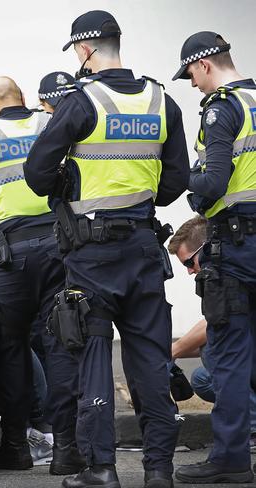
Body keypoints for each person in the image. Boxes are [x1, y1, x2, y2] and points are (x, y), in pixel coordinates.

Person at [24, 10, 189, 488]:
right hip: (142, 247)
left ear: (84, 49)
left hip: (92, 254)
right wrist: (140, 199)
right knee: (151, 358)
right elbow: (175, 179)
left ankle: (102, 469)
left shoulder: (81, 102)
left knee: (92, 354)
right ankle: (159, 469)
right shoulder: (162, 101)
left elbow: (37, 174)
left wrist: (69, 185)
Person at [0, 76, 84, 476]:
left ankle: (18, 448)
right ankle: (66, 450)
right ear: (24, 98)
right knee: (59, 344)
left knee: (12, 348)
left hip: (11, 254)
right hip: (58, 245)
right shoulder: (47, 123)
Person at [170, 33, 256, 474]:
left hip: (239, 245)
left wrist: (186, 179)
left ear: (204, 65)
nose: (192, 85)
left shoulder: (222, 108)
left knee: (228, 357)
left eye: (191, 75)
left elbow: (214, 182)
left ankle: (230, 458)